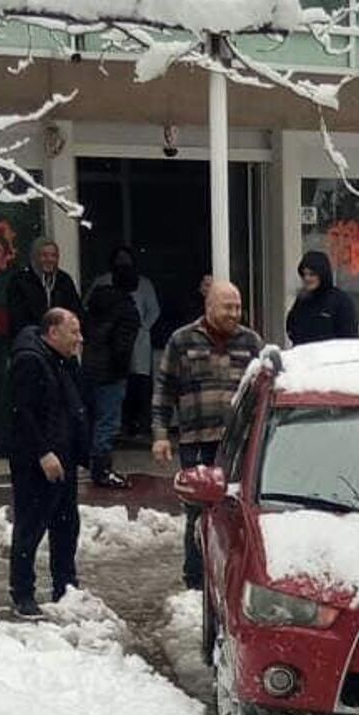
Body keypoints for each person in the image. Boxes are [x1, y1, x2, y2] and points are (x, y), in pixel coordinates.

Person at [152, 279, 263, 589]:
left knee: (237, 510)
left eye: (238, 307)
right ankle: (196, 580)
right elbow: (163, 389)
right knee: (198, 511)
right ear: (209, 307)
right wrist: (160, 434)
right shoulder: (182, 340)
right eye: (228, 307)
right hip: (196, 441)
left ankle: (232, 576)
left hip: (238, 444)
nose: (234, 313)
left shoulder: (251, 343)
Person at [6, 305, 88, 616]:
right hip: (37, 461)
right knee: (31, 525)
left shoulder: (64, 361)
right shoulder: (30, 361)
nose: (79, 339)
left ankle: (65, 584)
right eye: (73, 332)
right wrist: (43, 452)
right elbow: (22, 413)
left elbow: (73, 406)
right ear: (53, 333)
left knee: (66, 525)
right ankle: (22, 591)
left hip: (63, 457)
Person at [80, 246, 142, 490]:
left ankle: (92, 463)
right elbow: (121, 347)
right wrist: (120, 368)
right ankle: (102, 469)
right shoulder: (127, 310)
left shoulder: (97, 302)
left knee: (91, 418)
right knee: (108, 421)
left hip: (90, 366)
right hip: (110, 372)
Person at [7, 239, 81, 338]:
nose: (49, 259)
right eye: (44, 255)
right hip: (31, 340)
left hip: (60, 340)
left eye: (53, 256)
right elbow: (17, 319)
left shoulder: (64, 280)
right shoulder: (20, 281)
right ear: (35, 257)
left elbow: (75, 310)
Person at [286, 248, 359, 347]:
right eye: (304, 274)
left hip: (330, 358)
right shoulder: (302, 300)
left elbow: (349, 338)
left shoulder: (340, 301)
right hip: (303, 357)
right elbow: (291, 329)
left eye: (312, 274)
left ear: (322, 275)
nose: (307, 278)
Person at [123, 261, 161, 439]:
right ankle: (125, 425)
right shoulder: (104, 282)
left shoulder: (144, 283)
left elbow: (154, 310)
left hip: (139, 340)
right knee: (122, 386)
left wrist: (144, 327)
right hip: (115, 345)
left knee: (142, 385)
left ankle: (143, 425)